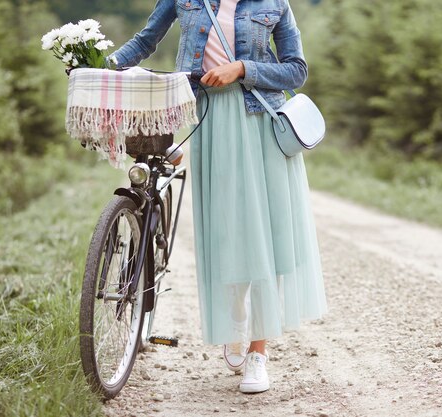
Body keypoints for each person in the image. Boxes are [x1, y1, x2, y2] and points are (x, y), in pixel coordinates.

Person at [110, 0, 327, 393]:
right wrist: (99, 63)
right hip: (210, 123)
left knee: (266, 236)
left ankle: (258, 355)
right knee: (226, 230)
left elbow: (297, 69)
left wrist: (243, 68)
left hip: (261, 124)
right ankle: (236, 316)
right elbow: (146, 40)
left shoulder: (274, 4)